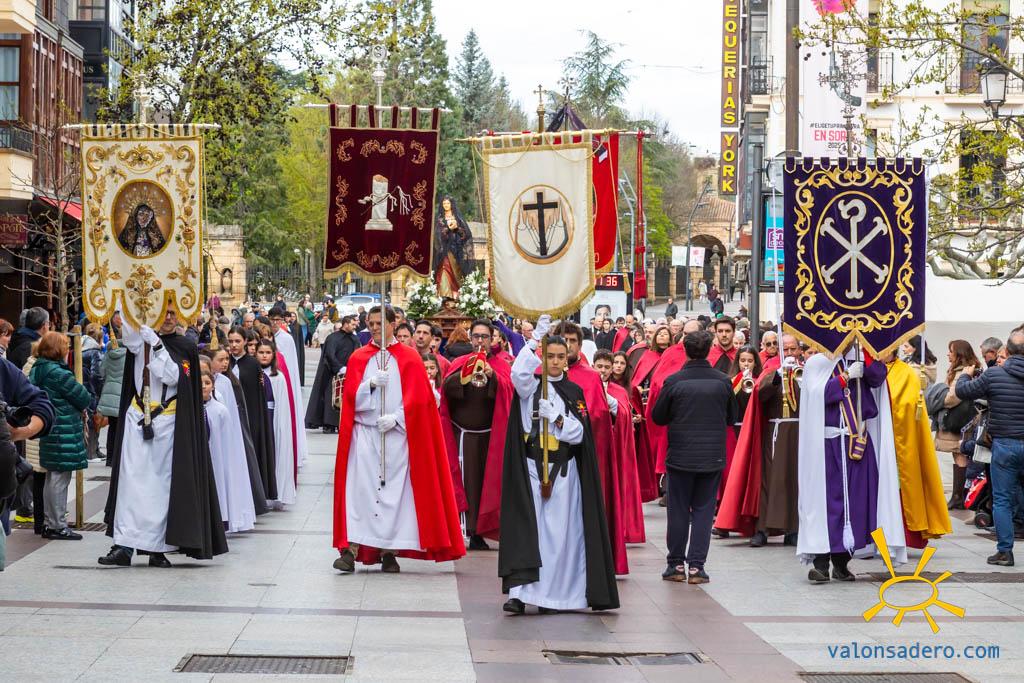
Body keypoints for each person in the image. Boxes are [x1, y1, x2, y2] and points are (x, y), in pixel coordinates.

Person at [332, 305, 465, 573]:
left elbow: (419, 398)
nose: (374, 328)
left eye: (380, 323)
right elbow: (349, 400)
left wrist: (397, 418)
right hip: (365, 434)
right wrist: (370, 385)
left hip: (396, 436)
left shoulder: (410, 357)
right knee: (360, 493)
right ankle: (351, 549)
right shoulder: (359, 357)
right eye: (370, 323)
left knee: (394, 495)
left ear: (394, 324)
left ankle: (389, 552)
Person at [499, 319, 619, 615]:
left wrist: (557, 418)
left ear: (568, 359)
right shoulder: (530, 387)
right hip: (531, 468)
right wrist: (535, 337)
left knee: (559, 536)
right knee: (529, 531)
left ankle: (552, 596)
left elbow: (580, 434)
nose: (554, 362)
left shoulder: (573, 391)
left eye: (560, 357)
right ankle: (520, 593)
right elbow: (518, 372)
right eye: (549, 356)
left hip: (563, 472)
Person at [100, 310, 227, 567]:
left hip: (168, 422)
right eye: (163, 312)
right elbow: (129, 328)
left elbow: (173, 377)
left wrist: (157, 346)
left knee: (160, 488)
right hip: (138, 417)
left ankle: (157, 548)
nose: (168, 318)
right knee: (130, 485)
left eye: (172, 312)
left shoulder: (184, 346)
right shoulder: (140, 341)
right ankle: (124, 545)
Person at [798, 349, 906, 583]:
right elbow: (819, 396)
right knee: (827, 504)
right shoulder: (818, 362)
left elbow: (877, 378)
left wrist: (867, 352)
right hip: (827, 446)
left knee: (856, 504)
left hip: (857, 442)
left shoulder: (860, 358)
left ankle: (841, 563)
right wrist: (844, 377)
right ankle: (821, 564)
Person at [652, 330, 737, 584]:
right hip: (711, 455)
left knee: (678, 510)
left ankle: (676, 564)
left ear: (686, 351)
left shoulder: (674, 381)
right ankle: (697, 567)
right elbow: (732, 417)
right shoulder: (723, 382)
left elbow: (658, 416)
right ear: (709, 350)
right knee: (703, 511)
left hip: (680, 454)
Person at [551, 320, 628, 574]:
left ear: (579, 344)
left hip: (582, 456)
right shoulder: (541, 375)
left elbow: (598, 417)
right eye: (564, 340)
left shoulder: (591, 376)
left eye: (573, 341)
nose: (568, 345)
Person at [716, 334, 799, 547]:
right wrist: (777, 377)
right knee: (768, 479)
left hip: (799, 431)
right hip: (774, 431)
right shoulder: (770, 370)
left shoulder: (805, 371)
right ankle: (762, 529)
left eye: (793, 349)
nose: (790, 353)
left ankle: (793, 529)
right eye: (786, 349)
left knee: (794, 481)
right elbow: (760, 395)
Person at [440, 319, 515, 549]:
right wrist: (464, 375)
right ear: (470, 338)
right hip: (464, 436)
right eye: (476, 336)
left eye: (484, 337)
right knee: (468, 485)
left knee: (487, 485)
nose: (480, 341)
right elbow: (447, 391)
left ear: (492, 340)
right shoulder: (459, 362)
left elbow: (509, 392)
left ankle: (486, 528)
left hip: (490, 436)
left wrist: (493, 377)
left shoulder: (501, 365)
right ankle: (470, 531)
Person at [954, 331, 1024, 566]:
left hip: (1004, 444)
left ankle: (1005, 552)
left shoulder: (994, 374)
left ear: (1008, 351)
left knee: (1002, 499)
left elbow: (963, 391)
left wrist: (965, 375)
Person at [880, 349, 951, 547]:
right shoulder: (869, 371)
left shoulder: (907, 373)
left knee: (900, 488)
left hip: (899, 442)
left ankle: (903, 534)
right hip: (875, 441)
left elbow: (910, 406)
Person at [28, 332, 92, 540]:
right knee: (59, 478)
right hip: (62, 430)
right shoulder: (58, 373)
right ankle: (57, 525)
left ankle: (49, 523)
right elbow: (83, 397)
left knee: (51, 477)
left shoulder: (39, 368)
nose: (67, 350)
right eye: (65, 346)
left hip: (50, 428)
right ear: (57, 349)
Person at [594, 349, 645, 544]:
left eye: (607, 367)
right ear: (593, 366)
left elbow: (624, 414)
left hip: (614, 446)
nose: (603, 370)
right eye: (599, 366)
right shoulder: (584, 386)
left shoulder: (618, 390)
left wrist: (608, 400)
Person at [228, 327, 278, 504]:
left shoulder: (252, 364)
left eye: (237, 341)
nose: (234, 345)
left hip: (250, 416)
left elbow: (257, 395)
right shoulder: (225, 362)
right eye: (231, 341)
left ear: (245, 342)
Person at [937, 340, 981, 510]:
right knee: (958, 454)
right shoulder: (965, 369)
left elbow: (952, 397)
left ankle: (958, 497)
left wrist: (938, 401)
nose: (948, 354)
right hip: (962, 419)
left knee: (960, 454)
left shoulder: (962, 372)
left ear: (959, 354)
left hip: (959, 421)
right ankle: (958, 496)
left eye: (951, 351)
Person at [629, 325, 671, 502]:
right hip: (649, 403)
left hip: (668, 406)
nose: (662, 336)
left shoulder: (672, 356)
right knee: (652, 444)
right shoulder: (647, 355)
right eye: (660, 333)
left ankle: (665, 484)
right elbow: (638, 378)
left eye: (666, 334)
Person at [268, 305, 308, 470]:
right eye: (272, 320)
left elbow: (291, 364)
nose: (275, 323)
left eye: (278, 320)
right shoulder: (266, 337)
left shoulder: (286, 339)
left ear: (282, 321)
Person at [306, 315, 361, 434]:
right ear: (345, 324)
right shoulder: (333, 338)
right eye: (352, 324)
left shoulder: (355, 339)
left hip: (349, 373)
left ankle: (343, 423)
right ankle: (329, 423)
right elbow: (329, 354)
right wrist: (340, 367)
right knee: (330, 397)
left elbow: (357, 354)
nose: (355, 326)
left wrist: (352, 368)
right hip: (331, 373)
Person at [433, 196, 474, 298]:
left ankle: (456, 294)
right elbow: (437, 234)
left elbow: (466, 234)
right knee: (444, 267)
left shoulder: (458, 217)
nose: (446, 205)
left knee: (456, 270)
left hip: (456, 250)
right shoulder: (439, 218)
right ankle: (444, 294)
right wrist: (448, 228)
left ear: (451, 204)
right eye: (444, 203)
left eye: (448, 203)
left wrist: (457, 228)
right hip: (444, 250)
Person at [82, 323, 105, 462]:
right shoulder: (95, 351)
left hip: (83, 387)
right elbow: (97, 374)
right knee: (94, 419)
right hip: (91, 389)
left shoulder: (81, 347)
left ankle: (93, 449)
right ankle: (91, 452)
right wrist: (100, 390)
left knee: (88, 419)